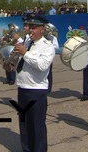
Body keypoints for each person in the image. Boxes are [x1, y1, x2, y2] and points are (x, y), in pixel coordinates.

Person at [13, 13, 55, 152]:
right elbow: (22, 63)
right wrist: (11, 64)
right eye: (30, 27)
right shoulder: (27, 43)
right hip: (23, 89)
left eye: (35, 27)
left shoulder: (47, 46)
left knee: (37, 127)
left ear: (42, 29)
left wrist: (25, 53)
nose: (31, 30)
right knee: (24, 126)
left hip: (36, 91)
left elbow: (42, 65)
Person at [45, 23, 59, 93]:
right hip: (42, 56)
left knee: (49, 73)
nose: (47, 31)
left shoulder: (53, 38)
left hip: (49, 57)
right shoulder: (42, 37)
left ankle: (49, 88)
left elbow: (56, 46)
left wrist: (49, 44)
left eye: (49, 30)